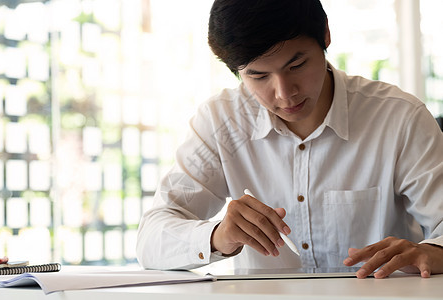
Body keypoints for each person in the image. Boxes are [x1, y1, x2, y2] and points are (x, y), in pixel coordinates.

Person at [136, 0, 443, 279]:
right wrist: (218, 236)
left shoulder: (399, 118)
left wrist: (434, 251)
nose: (284, 93)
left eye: (296, 66)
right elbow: (151, 239)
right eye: (258, 76)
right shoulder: (221, 123)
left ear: (325, 35)